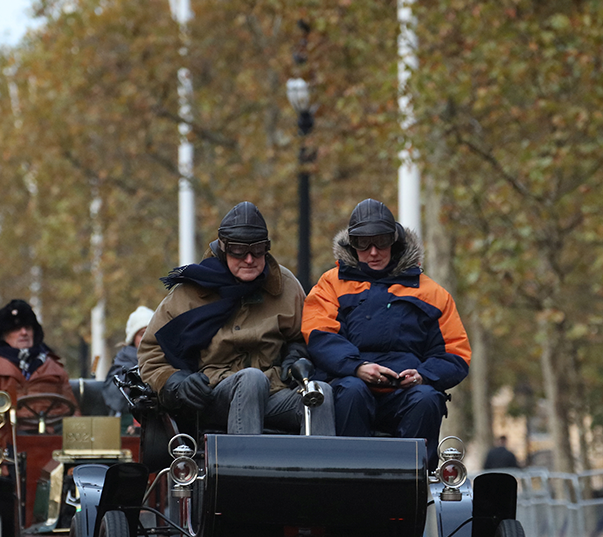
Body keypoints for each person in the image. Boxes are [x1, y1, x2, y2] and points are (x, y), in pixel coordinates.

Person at [301, 198, 470, 466]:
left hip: (407, 392)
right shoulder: (330, 285)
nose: (373, 252)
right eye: (363, 244)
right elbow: (320, 335)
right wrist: (357, 367)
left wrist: (423, 376)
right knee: (351, 391)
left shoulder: (432, 293)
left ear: (395, 241)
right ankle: (349, 474)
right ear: (352, 244)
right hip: (351, 384)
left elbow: (456, 354)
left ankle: (413, 478)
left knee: (427, 398)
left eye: (381, 242)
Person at [138, 202, 308, 435]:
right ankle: (244, 459)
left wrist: (296, 355)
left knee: (318, 395)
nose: (249, 259)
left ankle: (325, 459)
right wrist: (176, 383)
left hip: (274, 390)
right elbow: (151, 354)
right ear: (223, 249)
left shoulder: (286, 286)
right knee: (251, 380)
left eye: (258, 249)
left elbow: (303, 337)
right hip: (211, 395)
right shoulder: (190, 292)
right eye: (239, 250)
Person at [0, 300, 78, 427]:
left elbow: (73, 409)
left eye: (28, 328)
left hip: (50, 433)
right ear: (3, 335)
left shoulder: (55, 367)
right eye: (16, 329)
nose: (24, 333)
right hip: (9, 433)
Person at [103, 305, 155, 415]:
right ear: (133, 338)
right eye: (142, 334)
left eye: (150, 333)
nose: (146, 338)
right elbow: (116, 399)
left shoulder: (166, 359)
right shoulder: (122, 364)